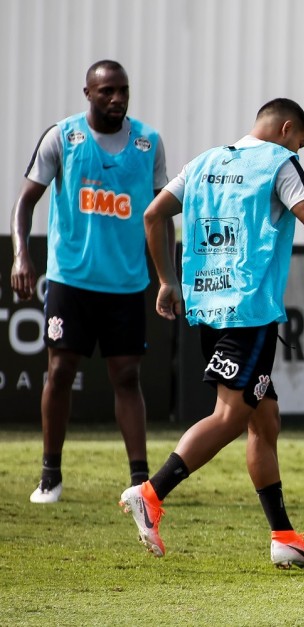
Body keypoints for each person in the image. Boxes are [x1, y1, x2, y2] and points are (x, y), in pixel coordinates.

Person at [119, 98, 304, 569]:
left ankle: (284, 536)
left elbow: (152, 215)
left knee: (263, 421)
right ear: (288, 129)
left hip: (210, 305)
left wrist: (167, 281)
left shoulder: (204, 162)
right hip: (249, 311)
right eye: (301, 141)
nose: (300, 150)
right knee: (230, 416)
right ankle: (150, 492)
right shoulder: (279, 163)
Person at [9, 60, 168, 503]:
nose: (117, 98)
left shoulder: (148, 143)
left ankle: (141, 481)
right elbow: (24, 203)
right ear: (88, 93)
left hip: (125, 284)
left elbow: (159, 217)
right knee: (59, 372)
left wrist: (165, 278)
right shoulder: (63, 137)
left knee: (127, 376)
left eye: (123, 91)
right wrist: (21, 255)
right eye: (107, 91)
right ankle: (50, 476)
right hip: (70, 281)